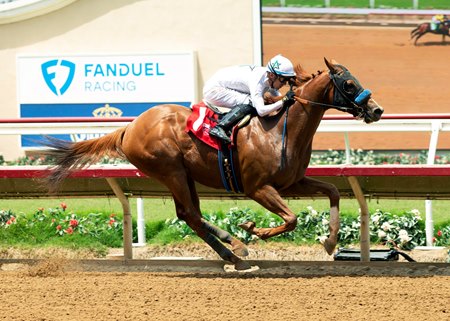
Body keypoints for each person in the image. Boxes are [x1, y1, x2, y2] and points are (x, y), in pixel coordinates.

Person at [203, 54, 297, 144]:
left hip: (222, 84)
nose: (284, 83)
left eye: (287, 80)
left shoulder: (268, 76)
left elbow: (276, 96)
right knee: (251, 102)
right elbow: (261, 111)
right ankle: (220, 127)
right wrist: (284, 100)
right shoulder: (258, 81)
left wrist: (286, 99)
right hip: (214, 89)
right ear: (272, 75)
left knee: (254, 101)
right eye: (283, 79)